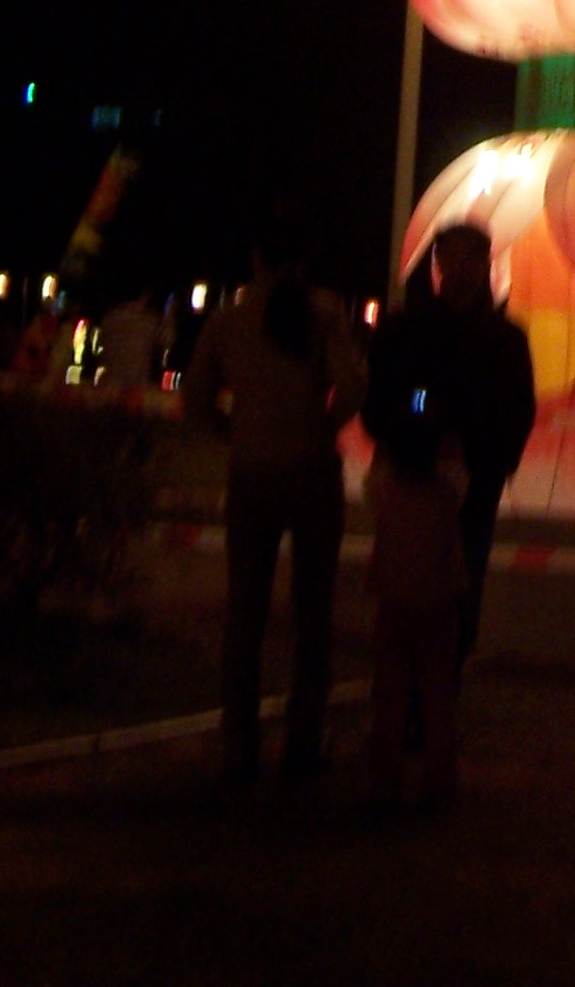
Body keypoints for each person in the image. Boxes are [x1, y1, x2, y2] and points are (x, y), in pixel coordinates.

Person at [183, 218, 364, 783]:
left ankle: (239, 744)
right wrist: (323, 423)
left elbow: (195, 397)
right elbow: (354, 385)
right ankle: (304, 741)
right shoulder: (324, 314)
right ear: (305, 260)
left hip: (252, 472)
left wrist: (230, 429)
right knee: (313, 612)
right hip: (312, 472)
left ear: (255, 257)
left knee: (246, 611)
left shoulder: (229, 320)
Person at [366, 224, 534, 687]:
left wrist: (489, 459)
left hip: (473, 480)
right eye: (450, 260)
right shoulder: (407, 331)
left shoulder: (503, 339)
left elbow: (517, 409)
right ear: (437, 265)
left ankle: (439, 687)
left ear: (485, 266)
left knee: (459, 585)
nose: (459, 271)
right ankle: (413, 691)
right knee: (411, 589)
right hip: (413, 479)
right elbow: (380, 399)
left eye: (469, 260)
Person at [363, 382, 467, 806]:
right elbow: (459, 472)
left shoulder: (384, 495)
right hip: (439, 605)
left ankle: (385, 777)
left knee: (390, 695)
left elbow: (374, 477)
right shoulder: (446, 494)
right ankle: (439, 776)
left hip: (393, 604)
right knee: (438, 693)